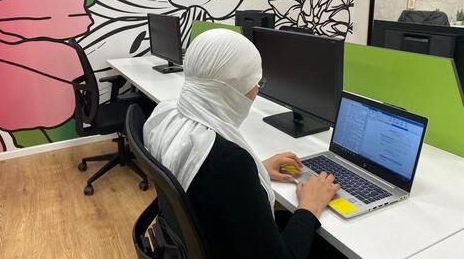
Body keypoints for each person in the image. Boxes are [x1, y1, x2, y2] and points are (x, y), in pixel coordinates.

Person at [143, 29, 341, 259]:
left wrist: (256, 168)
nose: (257, 91)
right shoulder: (228, 162)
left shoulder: (165, 115)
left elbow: (209, 181)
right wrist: (310, 205)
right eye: (257, 82)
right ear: (232, 84)